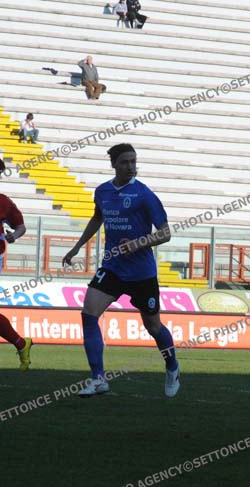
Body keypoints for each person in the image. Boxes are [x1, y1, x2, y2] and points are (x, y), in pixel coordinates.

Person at [62, 143, 178, 397]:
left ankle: (172, 366)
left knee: (153, 327)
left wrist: (138, 243)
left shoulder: (144, 194)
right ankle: (98, 379)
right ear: (114, 164)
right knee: (89, 313)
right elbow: (97, 218)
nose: (130, 167)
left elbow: (166, 233)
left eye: (133, 162)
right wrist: (77, 247)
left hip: (141, 273)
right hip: (112, 267)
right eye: (125, 162)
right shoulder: (102, 191)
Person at [0, 193, 33, 371]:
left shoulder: (3, 201)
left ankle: (21, 344)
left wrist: (14, 236)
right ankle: (21, 344)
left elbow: (21, 227)